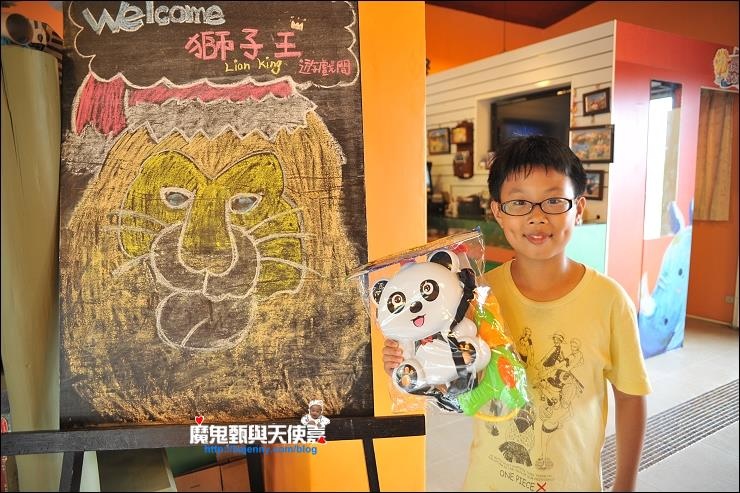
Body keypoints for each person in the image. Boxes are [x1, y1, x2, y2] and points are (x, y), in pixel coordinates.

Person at [383, 136, 651, 491]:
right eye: (519, 203)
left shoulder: (610, 301)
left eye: (554, 201)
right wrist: (406, 362)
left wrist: (626, 484)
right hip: (488, 482)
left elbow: (631, 397)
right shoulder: (474, 297)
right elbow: (452, 377)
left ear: (579, 208)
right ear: (498, 212)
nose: (537, 216)